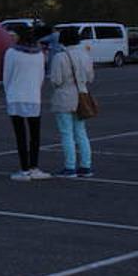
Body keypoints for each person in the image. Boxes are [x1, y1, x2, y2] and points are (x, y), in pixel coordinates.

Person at [2, 24, 50, 181]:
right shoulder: (39, 54)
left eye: (13, 34)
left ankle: (24, 169)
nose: (11, 37)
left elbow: (6, 77)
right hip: (33, 97)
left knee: (20, 135)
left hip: (16, 96)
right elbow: (41, 77)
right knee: (35, 135)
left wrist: (9, 92)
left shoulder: (11, 53)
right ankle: (34, 167)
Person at [50, 26, 95, 178]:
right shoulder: (85, 54)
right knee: (81, 133)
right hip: (82, 95)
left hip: (64, 97)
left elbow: (56, 80)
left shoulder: (60, 57)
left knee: (66, 133)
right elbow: (90, 77)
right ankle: (86, 166)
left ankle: (70, 167)